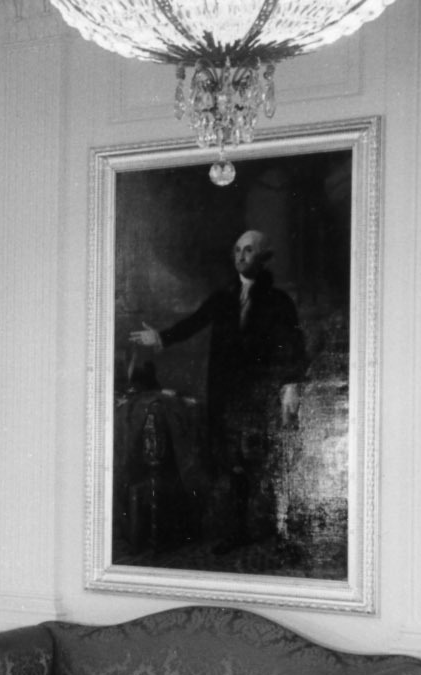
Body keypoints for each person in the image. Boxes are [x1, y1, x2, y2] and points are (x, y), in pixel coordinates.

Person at [130, 229, 309, 553]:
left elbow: (293, 346)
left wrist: (291, 386)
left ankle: (280, 533)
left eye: (249, 250)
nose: (241, 256)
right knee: (232, 462)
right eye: (237, 250)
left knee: (263, 461)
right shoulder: (224, 296)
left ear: (264, 257)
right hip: (227, 394)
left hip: (261, 394)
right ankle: (239, 531)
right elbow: (194, 322)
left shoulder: (279, 301)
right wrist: (161, 337)